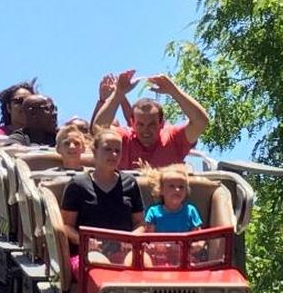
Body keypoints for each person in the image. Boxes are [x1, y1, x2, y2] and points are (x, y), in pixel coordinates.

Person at [60, 129, 143, 274]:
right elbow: (66, 227)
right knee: (102, 268)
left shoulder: (130, 183)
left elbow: (139, 223)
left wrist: (133, 238)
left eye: (118, 151)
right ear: (95, 151)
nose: (113, 155)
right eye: (107, 149)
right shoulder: (77, 184)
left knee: (141, 262)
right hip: (86, 253)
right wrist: (86, 242)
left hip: (123, 251)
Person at [92, 70, 209, 168]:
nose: (146, 130)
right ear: (132, 123)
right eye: (140, 124)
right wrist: (118, 93)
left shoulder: (173, 138)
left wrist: (174, 91)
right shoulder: (123, 138)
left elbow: (201, 123)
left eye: (152, 124)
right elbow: (99, 128)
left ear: (161, 123)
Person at [141, 164, 202, 233]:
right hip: (159, 244)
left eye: (181, 187)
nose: (177, 190)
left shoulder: (191, 211)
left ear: (186, 191)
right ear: (161, 190)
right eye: (171, 186)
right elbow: (148, 238)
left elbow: (198, 237)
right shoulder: (153, 212)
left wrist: (197, 243)